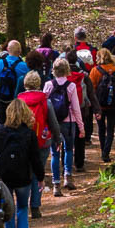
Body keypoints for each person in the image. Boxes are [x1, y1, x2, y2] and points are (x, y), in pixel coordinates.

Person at [0, 97, 43, 228]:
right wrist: (40, 177)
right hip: (23, 177)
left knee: (8, 212)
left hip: (4, 177)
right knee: (22, 207)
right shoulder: (29, 134)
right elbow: (35, 158)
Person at [18, 70, 60, 211]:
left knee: (24, 172)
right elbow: (53, 123)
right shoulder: (45, 101)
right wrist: (58, 139)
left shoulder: (18, 102)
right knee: (38, 171)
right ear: (38, 84)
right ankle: (35, 205)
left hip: (22, 142)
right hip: (42, 141)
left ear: (25, 84)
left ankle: (23, 203)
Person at [44, 58, 83, 195]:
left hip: (52, 123)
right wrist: (81, 126)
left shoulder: (48, 85)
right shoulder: (71, 86)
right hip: (68, 122)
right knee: (68, 149)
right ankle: (68, 176)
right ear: (67, 70)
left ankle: (56, 185)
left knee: (54, 153)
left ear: (54, 70)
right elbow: (76, 108)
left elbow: (44, 107)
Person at [69, 48, 99, 172]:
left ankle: (65, 164)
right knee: (80, 138)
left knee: (67, 139)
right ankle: (79, 164)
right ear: (77, 61)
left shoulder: (61, 76)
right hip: (82, 111)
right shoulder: (84, 76)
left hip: (65, 113)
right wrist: (97, 110)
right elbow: (91, 94)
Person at [0, 41, 29, 124]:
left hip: (0, 100)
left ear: (8, 49)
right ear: (20, 51)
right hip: (16, 102)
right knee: (16, 124)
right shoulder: (24, 66)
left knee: (1, 124)